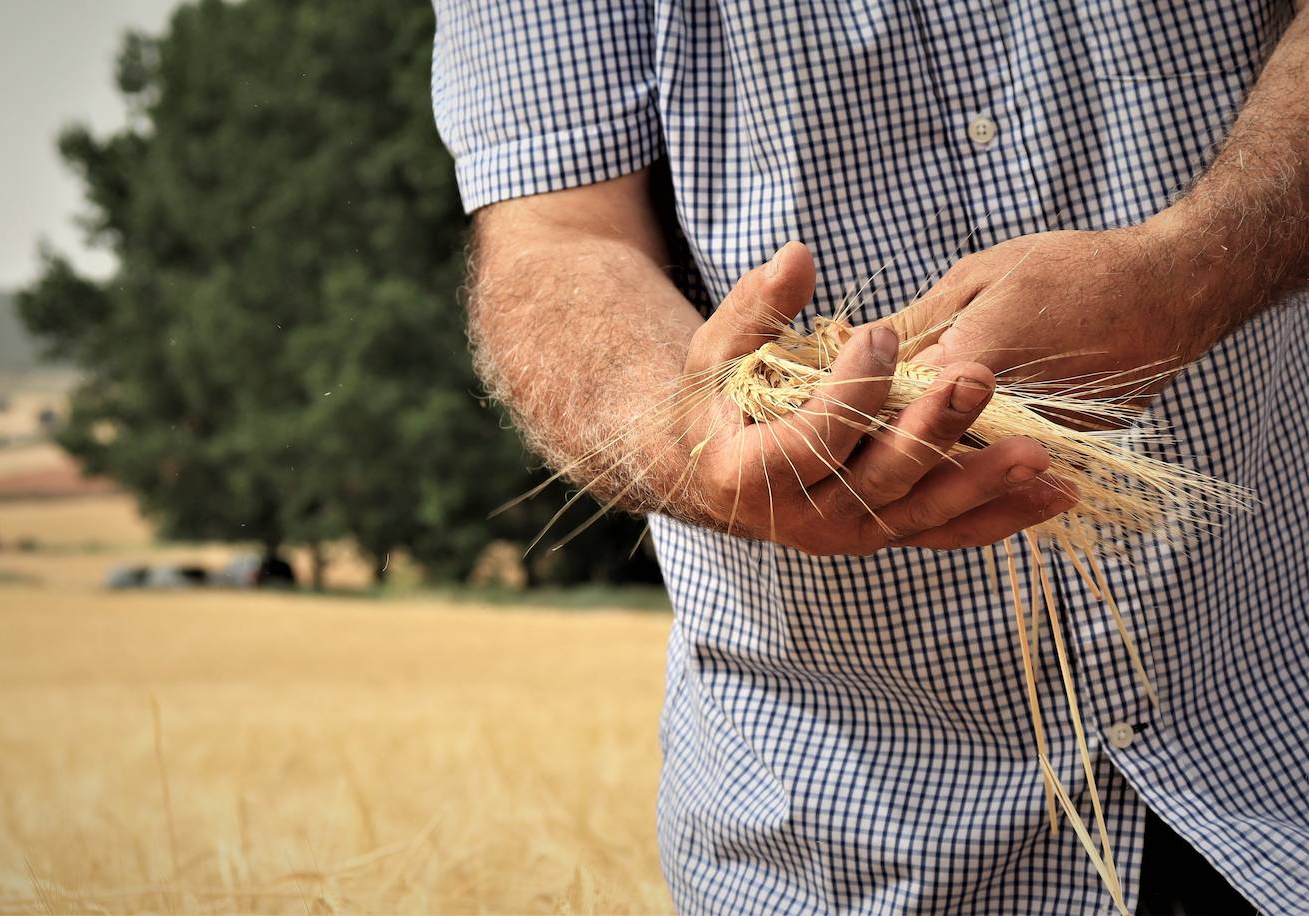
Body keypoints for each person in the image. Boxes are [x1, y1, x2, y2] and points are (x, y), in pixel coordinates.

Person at [431, 1, 1309, 912]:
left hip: (1272, 742)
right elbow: (562, 235)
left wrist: (1199, 266)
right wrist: (687, 442)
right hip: (844, 838)